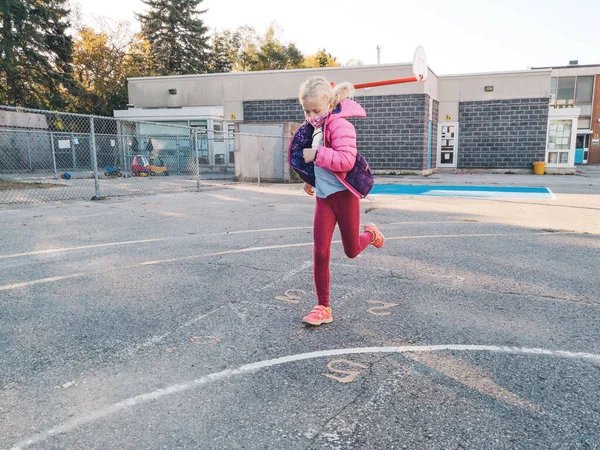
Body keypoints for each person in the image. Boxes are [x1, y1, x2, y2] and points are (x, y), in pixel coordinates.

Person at [289, 76, 385, 326]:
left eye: (315, 110)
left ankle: (371, 235)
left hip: (344, 197)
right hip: (324, 198)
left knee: (351, 250)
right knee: (320, 252)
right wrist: (311, 179)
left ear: (330, 104)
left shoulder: (342, 126)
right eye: (306, 110)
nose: (310, 116)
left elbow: (345, 161)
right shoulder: (316, 128)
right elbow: (321, 165)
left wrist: (317, 154)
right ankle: (323, 306)